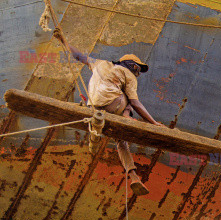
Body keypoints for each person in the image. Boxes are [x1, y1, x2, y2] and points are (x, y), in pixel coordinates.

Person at [54, 29, 165, 196]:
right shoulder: (129, 75)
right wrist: (153, 122)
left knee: (120, 138)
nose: (138, 74)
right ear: (133, 66)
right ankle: (127, 119)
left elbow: (78, 56)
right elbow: (135, 102)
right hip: (113, 106)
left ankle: (134, 177)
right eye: (138, 70)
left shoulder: (99, 63)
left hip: (93, 108)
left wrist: (63, 40)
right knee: (123, 132)